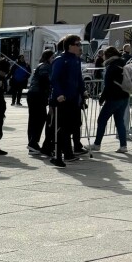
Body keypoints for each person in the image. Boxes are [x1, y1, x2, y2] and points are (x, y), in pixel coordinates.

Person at [49, 35, 85, 168]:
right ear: (70, 46)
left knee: (73, 126)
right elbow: (54, 79)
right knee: (63, 127)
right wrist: (59, 94)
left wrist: (83, 91)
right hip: (63, 99)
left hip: (74, 99)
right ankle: (57, 155)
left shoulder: (76, 60)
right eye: (77, 44)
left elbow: (79, 78)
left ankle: (66, 152)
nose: (79, 47)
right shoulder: (60, 60)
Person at [92, 46, 129, 154]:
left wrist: (101, 99)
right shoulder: (123, 63)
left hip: (113, 98)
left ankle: (97, 144)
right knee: (119, 121)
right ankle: (123, 145)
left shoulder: (111, 67)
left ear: (108, 55)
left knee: (102, 120)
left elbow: (107, 86)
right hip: (125, 96)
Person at [26, 50, 54, 155]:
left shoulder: (41, 65)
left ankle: (32, 143)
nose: (53, 59)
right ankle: (33, 142)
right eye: (52, 57)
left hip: (34, 94)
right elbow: (45, 78)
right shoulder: (45, 66)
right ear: (48, 58)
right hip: (38, 95)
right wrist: (50, 85)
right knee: (40, 118)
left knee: (33, 119)